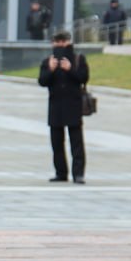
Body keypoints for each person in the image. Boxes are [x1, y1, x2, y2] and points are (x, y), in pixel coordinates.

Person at [38, 30, 89, 184]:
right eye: (57, 41)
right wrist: (51, 69)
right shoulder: (48, 61)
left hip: (73, 105)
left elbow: (83, 78)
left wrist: (70, 69)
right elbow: (42, 81)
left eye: (63, 41)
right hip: (55, 106)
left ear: (69, 42)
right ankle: (61, 173)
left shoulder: (78, 59)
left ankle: (78, 174)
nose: (60, 45)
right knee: (56, 142)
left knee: (76, 142)